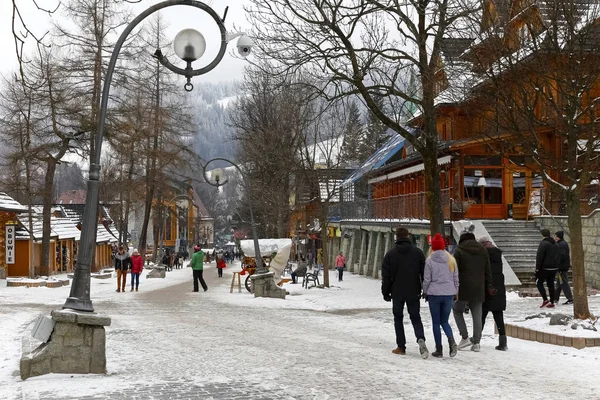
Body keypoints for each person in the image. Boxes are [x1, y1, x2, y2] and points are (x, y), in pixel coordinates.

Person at [381, 226, 429, 359]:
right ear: (408, 236)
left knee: (398, 318)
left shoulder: (390, 254)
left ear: (396, 237)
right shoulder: (418, 253)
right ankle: (420, 338)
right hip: (413, 290)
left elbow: (386, 276)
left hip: (397, 291)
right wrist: (425, 290)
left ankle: (401, 346)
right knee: (415, 317)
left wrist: (385, 292)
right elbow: (424, 274)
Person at [452, 232, 493, 352]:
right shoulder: (483, 250)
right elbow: (488, 270)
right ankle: (476, 342)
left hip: (463, 287)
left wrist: (454, 287)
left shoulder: (459, 251)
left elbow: (455, 271)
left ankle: (464, 337)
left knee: (456, 310)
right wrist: (488, 285)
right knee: (477, 315)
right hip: (479, 287)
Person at [422, 234, 459, 358]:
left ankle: (439, 349)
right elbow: (455, 278)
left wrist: (425, 292)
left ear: (432, 247)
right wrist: (455, 291)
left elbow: (427, 279)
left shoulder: (429, 260)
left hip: (434, 294)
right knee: (445, 321)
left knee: (436, 322)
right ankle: (451, 341)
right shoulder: (451, 260)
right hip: (449, 293)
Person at [478, 236, 508, 351]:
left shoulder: (483, 255)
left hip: (487, 288)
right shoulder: (497, 254)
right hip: (498, 288)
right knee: (498, 315)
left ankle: (477, 339)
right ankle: (503, 341)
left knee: (482, 315)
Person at [536, 228, 559, 308]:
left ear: (542, 235)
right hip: (554, 267)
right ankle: (552, 301)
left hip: (545, 267)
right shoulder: (555, 244)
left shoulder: (543, 243)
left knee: (539, 282)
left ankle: (545, 299)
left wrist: (537, 268)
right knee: (551, 284)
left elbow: (540, 256)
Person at [554, 231, 573, 305]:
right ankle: (555, 298)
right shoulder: (561, 243)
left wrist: (557, 263)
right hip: (562, 267)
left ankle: (570, 298)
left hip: (561, 267)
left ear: (558, 237)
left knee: (564, 283)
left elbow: (562, 256)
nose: (554, 238)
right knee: (559, 283)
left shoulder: (561, 244)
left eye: (555, 236)